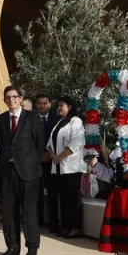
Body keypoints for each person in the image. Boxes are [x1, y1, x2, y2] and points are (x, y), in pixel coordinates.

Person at [0, 86, 46, 255]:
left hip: (29, 172)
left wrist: (29, 161)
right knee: (8, 212)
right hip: (8, 171)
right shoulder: (0, 120)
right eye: (8, 97)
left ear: (21, 98)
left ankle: (32, 247)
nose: (11, 100)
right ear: (4, 100)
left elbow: (39, 144)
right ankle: (12, 247)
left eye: (14, 97)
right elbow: (2, 143)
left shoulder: (32, 118)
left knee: (29, 211)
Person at [45, 96, 84, 238]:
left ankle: (74, 227)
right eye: (58, 106)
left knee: (72, 198)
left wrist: (60, 156)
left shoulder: (75, 121)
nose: (59, 108)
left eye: (62, 106)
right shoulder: (59, 123)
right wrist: (53, 155)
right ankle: (65, 226)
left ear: (70, 107)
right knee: (63, 199)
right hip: (58, 167)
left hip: (71, 167)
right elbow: (49, 142)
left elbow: (76, 143)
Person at [33, 93, 54, 226]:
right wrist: (39, 154)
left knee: (52, 191)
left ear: (50, 105)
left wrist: (50, 154)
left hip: (53, 160)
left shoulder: (56, 119)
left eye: (45, 103)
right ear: (36, 105)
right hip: (35, 161)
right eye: (39, 103)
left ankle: (53, 221)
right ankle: (37, 220)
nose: (42, 106)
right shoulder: (31, 119)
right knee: (36, 192)